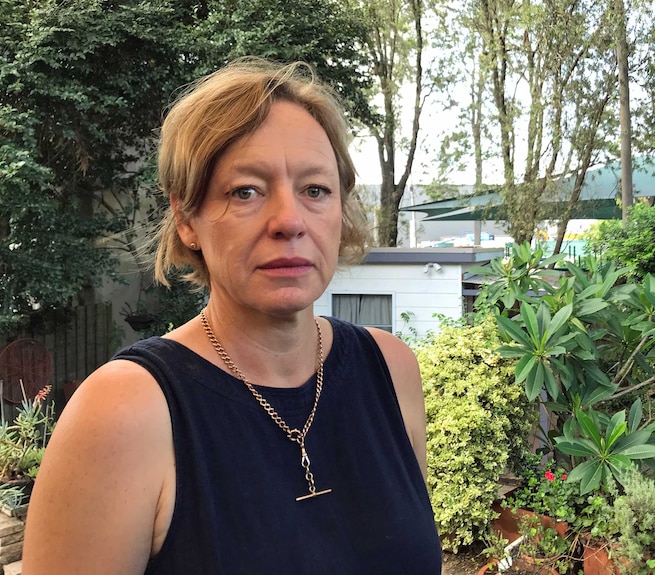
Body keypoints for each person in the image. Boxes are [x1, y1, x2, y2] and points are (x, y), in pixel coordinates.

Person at [23, 57, 443, 574]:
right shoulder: (124, 413)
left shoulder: (392, 369)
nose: (290, 220)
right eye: (246, 190)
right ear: (186, 220)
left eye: (315, 189)